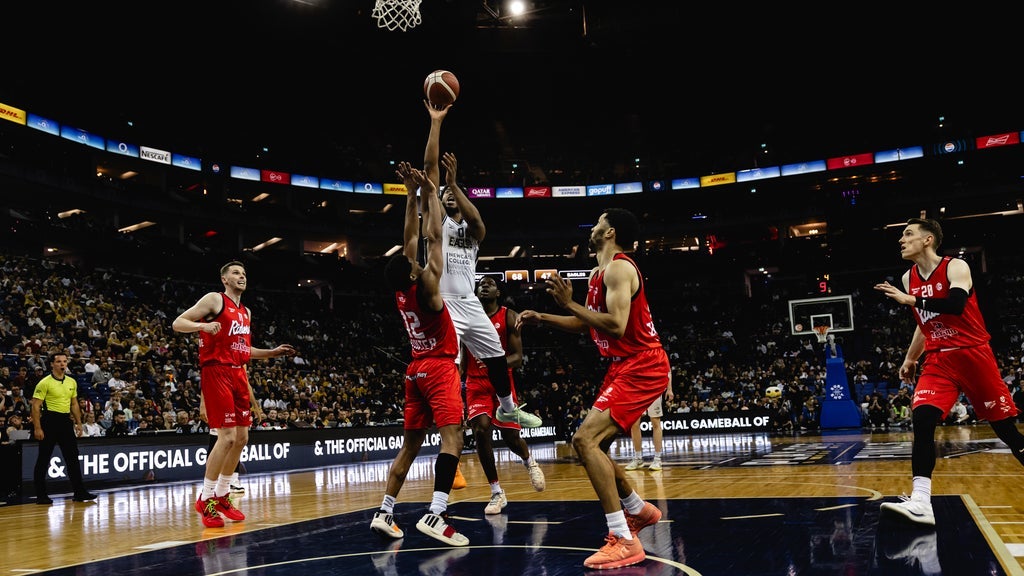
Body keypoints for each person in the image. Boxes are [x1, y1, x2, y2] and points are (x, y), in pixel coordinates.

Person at [517, 207, 669, 569]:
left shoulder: (619, 268)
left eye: (600, 222)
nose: (593, 226)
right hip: (621, 365)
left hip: (642, 363)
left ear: (610, 232)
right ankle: (638, 510)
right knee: (594, 445)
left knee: (584, 440)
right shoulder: (597, 273)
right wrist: (544, 317)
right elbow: (586, 323)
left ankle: (623, 538)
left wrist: (568, 302)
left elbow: (615, 325)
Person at [874, 217, 1024, 526]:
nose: (901, 240)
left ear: (927, 240)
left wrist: (911, 299)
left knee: (1006, 431)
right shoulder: (908, 277)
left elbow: (955, 305)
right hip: (939, 359)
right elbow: (924, 322)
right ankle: (921, 501)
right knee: (922, 419)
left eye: (908, 234)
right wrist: (910, 358)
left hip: (973, 354)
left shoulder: (956, 267)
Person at [421, 100, 541, 430]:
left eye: (452, 194)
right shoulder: (439, 224)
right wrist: (436, 122)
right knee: (450, 365)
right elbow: (430, 170)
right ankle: (447, 418)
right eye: (444, 194)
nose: (447, 195)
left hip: (470, 303)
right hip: (445, 303)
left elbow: (478, 222)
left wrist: (454, 184)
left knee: (496, 356)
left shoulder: (473, 232)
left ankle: (507, 409)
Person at [369, 161, 468, 546]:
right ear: (413, 273)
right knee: (452, 439)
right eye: (412, 262)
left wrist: (411, 196)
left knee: (410, 446)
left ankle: (385, 511)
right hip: (440, 367)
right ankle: (437, 514)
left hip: (414, 370)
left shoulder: (401, 288)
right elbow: (434, 236)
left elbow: (410, 236)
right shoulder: (427, 287)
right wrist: (430, 191)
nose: (414, 258)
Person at [172, 260, 296, 528]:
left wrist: (272, 352)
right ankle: (206, 499)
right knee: (226, 437)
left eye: (244, 273)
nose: (242, 276)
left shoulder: (246, 312)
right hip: (217, 371)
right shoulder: (214, 300)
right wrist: (202, 327)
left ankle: (222, 495)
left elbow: (244, 350)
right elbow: (178, 323)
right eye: (236, 273)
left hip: (238, 372)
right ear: (225, 279)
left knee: (241, 438)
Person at [461, 276, 546, 515]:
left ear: (498, 292)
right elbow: (463, 356)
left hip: (501, 382)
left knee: (511, 438)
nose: (484, 286)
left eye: (489, 284)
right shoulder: (467, 317)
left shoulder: (509, 316)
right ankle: (497, 492)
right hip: (476, 383)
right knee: (480, 431)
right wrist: (457, 387)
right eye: (481, 284)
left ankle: (529, 461)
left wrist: (494, 364)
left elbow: (517, 358)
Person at [30, 352, 97, 504]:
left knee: (72, 457)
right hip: (49, 421)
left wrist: (78, 423)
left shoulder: (71, 382)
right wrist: (37, 428)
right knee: (43, 458)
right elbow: (35, 406)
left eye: (65, 361)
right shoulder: (44, 382)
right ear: (52, 364)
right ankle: (41, 495)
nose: (62, 364)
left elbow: (74, 403)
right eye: (59, 361)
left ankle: (79, 492)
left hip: (65, 422)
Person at [625, 378, 674, 471]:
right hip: (636, 389)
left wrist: (669, 388)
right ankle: (638, 458)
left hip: (653, 387)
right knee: (634, 423)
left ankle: (657, 459)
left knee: (655, 422)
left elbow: (668, 371)